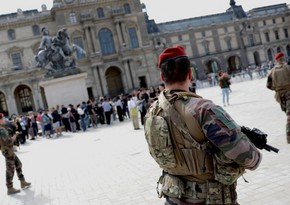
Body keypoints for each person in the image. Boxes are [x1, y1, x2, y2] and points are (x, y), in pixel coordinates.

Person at [144, 45, 262, 205]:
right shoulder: (203, 109)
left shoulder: (152, 111)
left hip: (173, 198)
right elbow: (250, 159)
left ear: (162, 76)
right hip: (208, 199)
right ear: (190, 73)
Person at [0, 113, 31, 195]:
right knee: (10, 170)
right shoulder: (1, 130)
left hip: (7, 150)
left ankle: (22, 181)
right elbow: (9, 142)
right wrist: (15, 135)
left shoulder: (2, 128)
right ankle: (9, 188)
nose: (4, 119)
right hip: (8, 151)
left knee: (18, 164)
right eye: (2, 118)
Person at [267, 52, 290, 143]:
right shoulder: (288, 68)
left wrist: (277, 89)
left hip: (280, 96)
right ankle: (289, 136)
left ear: (276, 60)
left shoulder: (272, 71)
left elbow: (268, 85)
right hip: (289, 93)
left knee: (287, 113)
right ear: (283, 58)